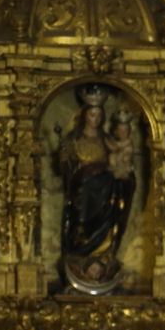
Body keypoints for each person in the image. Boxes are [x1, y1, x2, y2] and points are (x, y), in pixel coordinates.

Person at [56, 84, 138, 292]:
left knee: (109, 219)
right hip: (83, 195)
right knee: (79, 225)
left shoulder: (107, 140)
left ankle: (103, 254)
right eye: (92, 115)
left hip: (107, 195)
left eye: (99, 115)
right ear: (84, 116)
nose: (96, 119)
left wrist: (123, 177)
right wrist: (65, 160)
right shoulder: (73, 140)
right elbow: (65, 171)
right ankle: (80, 252)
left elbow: (120, 164)